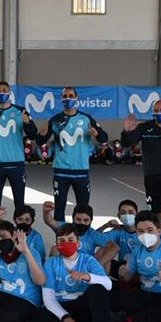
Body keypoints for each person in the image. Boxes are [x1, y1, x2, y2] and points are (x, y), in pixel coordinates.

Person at [28, 223, 122, 322]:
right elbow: (48, 298)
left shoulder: (88, 260)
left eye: (70, 240)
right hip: (62, 306)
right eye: (62, 241)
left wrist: (87, 276)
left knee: (98, 289)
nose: (66, 244)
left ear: (78, 243)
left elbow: (108, 284)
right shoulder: (51, 263)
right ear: (57, 245)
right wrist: (66, 318)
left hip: (82, 305)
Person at [38, 87, 107, 223]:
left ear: (77, 98)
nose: (68, 99)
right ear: (61, 99)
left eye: (71, 96)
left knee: (83, 209)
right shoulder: (55, 120)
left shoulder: (86, 119)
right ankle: (61, 235)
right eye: (65, 96)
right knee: (59, 208)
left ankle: (81, 235)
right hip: (61, 171)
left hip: (81, 171)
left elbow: (104, 138)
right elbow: (40, 141)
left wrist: (97, 134)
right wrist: (41, 134)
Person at [0, 81, 38, 217]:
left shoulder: (21, 111)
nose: (1, 93)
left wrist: (27, 123)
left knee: (19, 201)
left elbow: (33, 134)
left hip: (16, 164)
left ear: (10, 92)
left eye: (4, 90)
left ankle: (21, 228)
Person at [43, 202, 119, 266]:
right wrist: (46, 212)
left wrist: (97, 265)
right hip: (65, 265)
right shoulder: (66, 227)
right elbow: (50, 222)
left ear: (91, 221)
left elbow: (114, 247)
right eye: (78, 219)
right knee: (55, 249)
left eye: (86, 220)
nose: (82, 223)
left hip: (85, 267)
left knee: (106, 258)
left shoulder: (93, 234)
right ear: (73, 218)